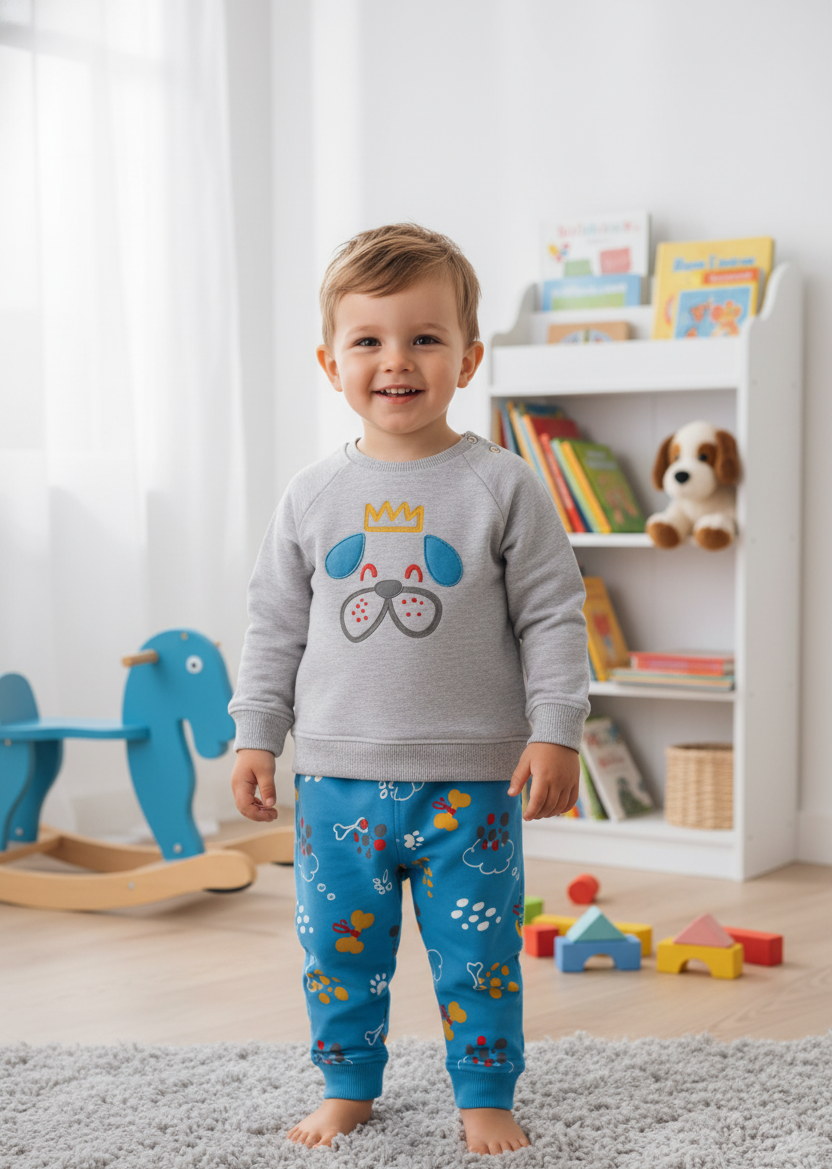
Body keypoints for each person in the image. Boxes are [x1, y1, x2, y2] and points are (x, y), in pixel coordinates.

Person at [229, 223, 590, 1155]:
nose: (397, 360)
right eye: (369, 340)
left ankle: (485, 1092)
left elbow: (554, 616)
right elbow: (275, 624)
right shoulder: (311, 495)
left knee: (480, 953)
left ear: (467, 359)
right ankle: (347, 1083)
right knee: (338, 950)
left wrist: (556, 727)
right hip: (336, 782)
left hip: (473, 784)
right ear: (331, 362)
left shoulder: (503, 486)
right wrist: (257, 733)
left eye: (425, 338)